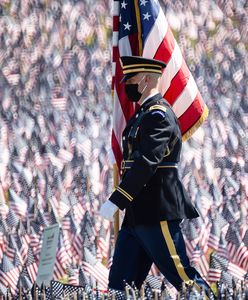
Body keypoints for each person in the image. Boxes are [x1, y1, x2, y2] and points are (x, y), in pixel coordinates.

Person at [100, 56, 215, 299]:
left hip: (155, 212)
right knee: (119, 287)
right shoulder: (143, 115)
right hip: (135, 216)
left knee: (183, 278)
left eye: (131, 79)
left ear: (146, 79)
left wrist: (117, 199)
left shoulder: (159, 116)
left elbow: (146, 163)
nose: (127, 85)